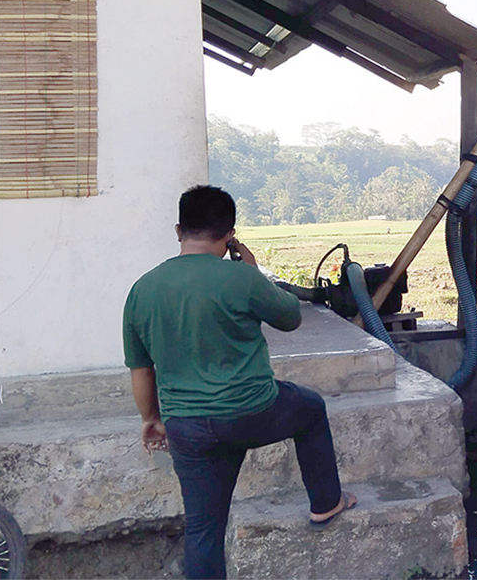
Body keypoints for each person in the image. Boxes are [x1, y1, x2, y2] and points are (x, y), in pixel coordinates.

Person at [123, 185, 355, 579]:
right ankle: (326, 503)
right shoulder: (239, 278)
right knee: (311, 408)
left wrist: (150, 418)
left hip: (188, 428)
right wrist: (251, 270)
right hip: (253, 413)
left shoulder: (142, 290)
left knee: (202, 530)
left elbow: (141, 371)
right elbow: (290, 317)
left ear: (179, 230)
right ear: (230, 235)